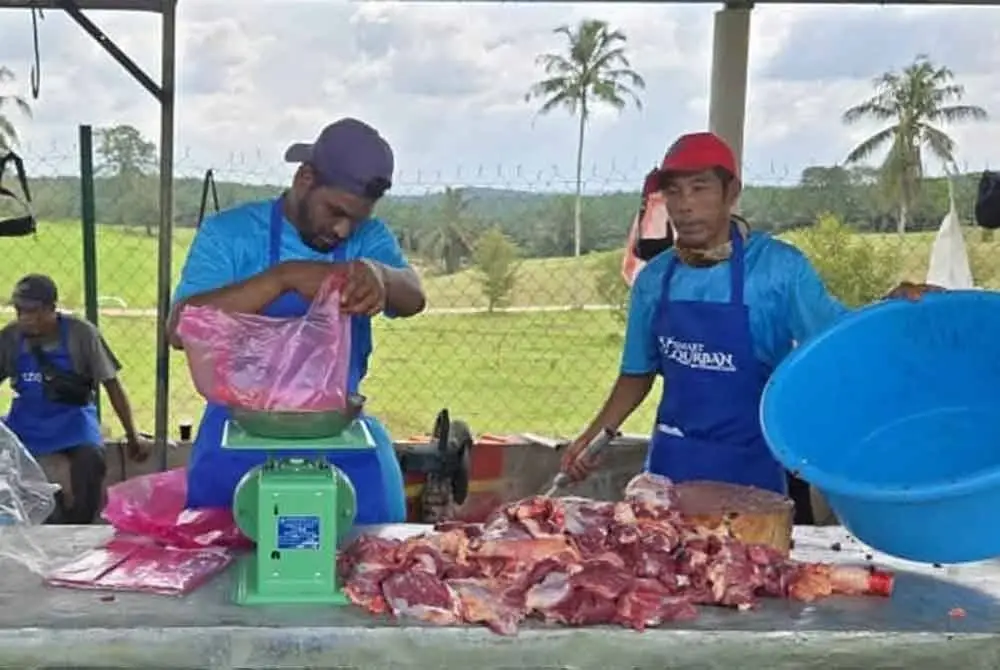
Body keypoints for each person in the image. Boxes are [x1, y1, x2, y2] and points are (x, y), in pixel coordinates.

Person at [561, 132, 940, 503]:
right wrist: (595, 437)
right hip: (671, 466)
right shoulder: (655, 279)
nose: (685, 205)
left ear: (731, 193)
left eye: (700, 188)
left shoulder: (779, 269)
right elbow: (637, 373)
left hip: (752, 467)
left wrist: (892, 309)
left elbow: (838, 339)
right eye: (673, 191)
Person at [169, 117, 426, 524]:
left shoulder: (368, 239)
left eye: (355, 220)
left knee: (368, 566)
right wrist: (282, 279)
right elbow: (180, 327)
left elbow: (414, 296)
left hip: (338, 440)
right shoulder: (230, 234)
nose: (343, 230)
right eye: (335, 212)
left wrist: (381, 275)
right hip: (236, 439)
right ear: (305, 178)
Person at [0, 274, 146, 523]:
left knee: (90, 459)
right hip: (27, 417)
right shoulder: (10, 337)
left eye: (33, 311)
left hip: (72, 417)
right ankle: (38, 518)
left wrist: (132, 435)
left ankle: (79, 524)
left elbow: (111, 384)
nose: (25, 318)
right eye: (19, 310)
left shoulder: (82, 334)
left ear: (52, 309)